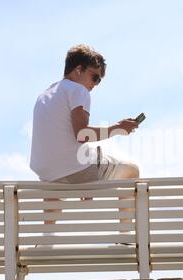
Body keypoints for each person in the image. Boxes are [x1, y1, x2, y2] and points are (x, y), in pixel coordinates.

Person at [29, 44, 139, 241]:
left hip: (46, 173)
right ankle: (125, 238)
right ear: (78, 69)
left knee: (79, 164)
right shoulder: (79, 91)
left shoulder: (44, 95)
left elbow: (61, 139)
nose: (96, 83)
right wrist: (118, 128)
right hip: (74, 171)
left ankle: (46, 240)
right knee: (132, 170)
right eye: (95, 77)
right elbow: (82, 134)